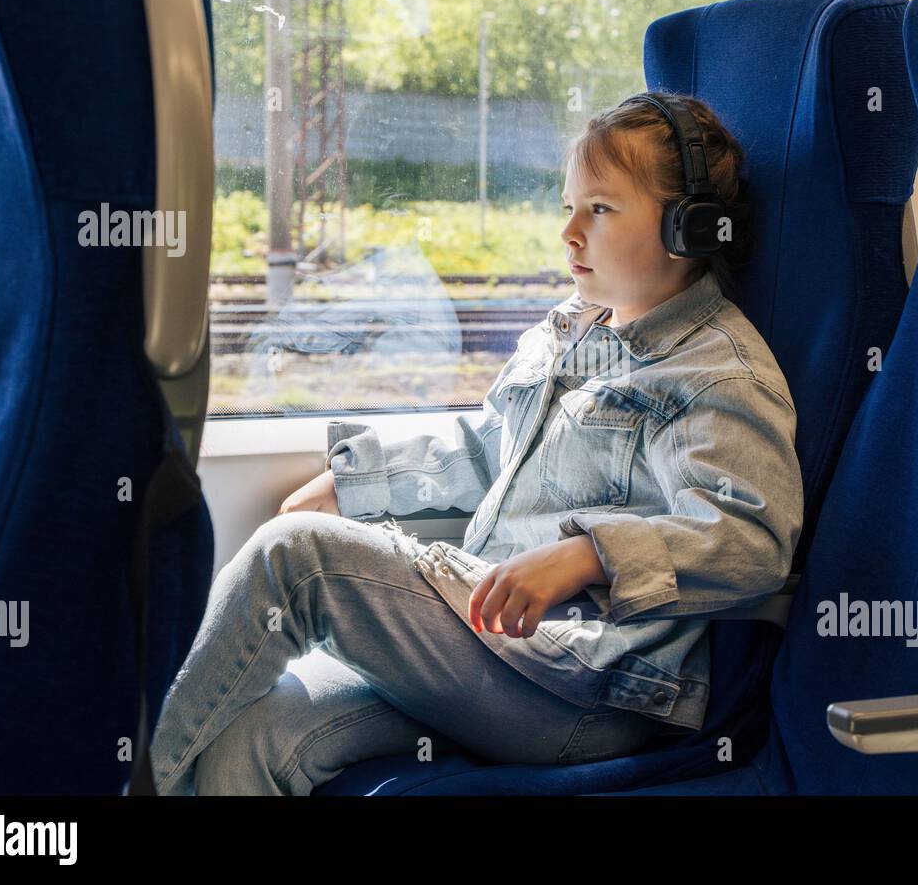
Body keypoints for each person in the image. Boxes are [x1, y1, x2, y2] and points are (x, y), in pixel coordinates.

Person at [148, 90, 804, 795]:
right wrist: (356, 482)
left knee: (296, 559)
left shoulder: (714, 373)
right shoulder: (573, 330)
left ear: (690, 229)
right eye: (568, 208)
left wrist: (589, 556)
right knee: (255, 739)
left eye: (601, 210)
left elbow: (750, 541)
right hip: (495, 649)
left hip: (585, 688)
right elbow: (487, 444)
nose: (570, 233)